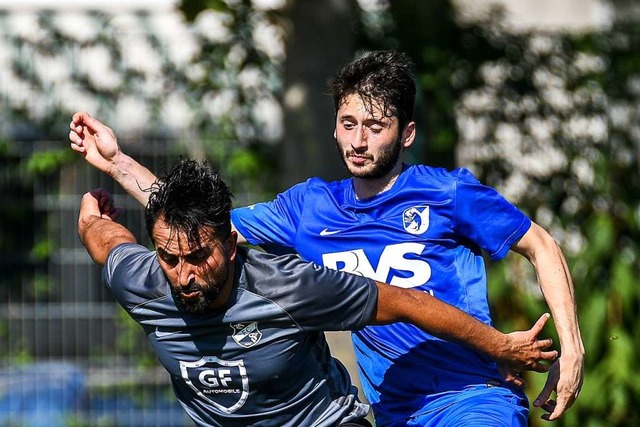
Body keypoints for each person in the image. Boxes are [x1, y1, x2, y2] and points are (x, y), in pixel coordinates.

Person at [69, 50, 584, 426]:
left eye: (376, 126)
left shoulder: (448, 193)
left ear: (406, 133)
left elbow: (541, 244)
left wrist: (572, 347)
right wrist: (117, 163)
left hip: (470, 397)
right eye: (349, 123)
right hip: (392, 410)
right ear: (335, 127)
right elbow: (196, 226)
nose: (359, 140)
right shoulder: (306, 209)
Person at [78, 158, 556, 427]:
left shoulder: (288, 285)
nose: (184, 275)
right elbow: (105, 241)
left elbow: (410, 302)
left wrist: (501, 347)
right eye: (170, 258)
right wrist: (92, 214)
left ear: (230, 242)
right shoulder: (142, 281)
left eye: (199, 257)